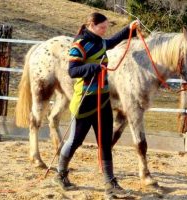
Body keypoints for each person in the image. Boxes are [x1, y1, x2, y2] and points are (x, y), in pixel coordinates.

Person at [53, 12, 139, 199]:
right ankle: (60, 174)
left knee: (105, 143)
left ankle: (110, 184)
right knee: (75, 141)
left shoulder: (100, 42)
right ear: (91, 25)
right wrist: (92, 68)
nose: (105, 30)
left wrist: (130, 29)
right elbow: (73, 71)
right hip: (84, 102)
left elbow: (113, 41)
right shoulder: (80, 45)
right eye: (102, 27)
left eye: (106, 27)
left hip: (103, 100)